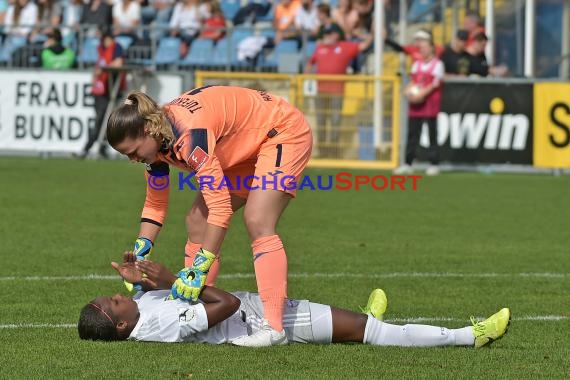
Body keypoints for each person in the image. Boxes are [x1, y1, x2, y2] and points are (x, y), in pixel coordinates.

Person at [104, 85, 313, 347]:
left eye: (133, 152)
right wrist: (141, 252)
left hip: (281, 132)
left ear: (147, 131)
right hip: (245, 144)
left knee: (258, 219)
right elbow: (155, 204)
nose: (133, 159)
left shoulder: (190, 137)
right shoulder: (156, 143)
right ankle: (193, 307)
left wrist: (199, 267)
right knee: (197, 221)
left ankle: (274, 329)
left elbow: (220, 207)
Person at [78, 258, 511, 348]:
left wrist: (137, 283)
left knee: (354, 326)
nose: (120, 295)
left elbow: (144, 304)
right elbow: (225, 303)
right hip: (263, 321)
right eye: (115, 301)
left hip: (262, 310)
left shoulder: (141, 315)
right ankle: (469, 337)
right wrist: (177, 279)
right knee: (376, 334)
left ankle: (363, 320)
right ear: (120, 326)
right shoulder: (161, 328)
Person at [304, 23, 372, 158]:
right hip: (320, 90)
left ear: (336, 35)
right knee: (320, 121)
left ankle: (333, 152)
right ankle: (323, 151)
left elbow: (363, 46)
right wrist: (307, 78)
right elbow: (310, 63)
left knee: (335, 121)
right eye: (325, 34)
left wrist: (371, 34)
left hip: (337, 91)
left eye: (328, 34)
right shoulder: (320, 48)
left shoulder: (345, 47)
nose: (326, 36)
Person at [394, 32, 443, 176]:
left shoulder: (438, 64)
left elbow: (435, 84)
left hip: (430, 105)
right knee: (412, 134)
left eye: (425, 47)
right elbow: (413, 81)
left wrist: (421, 95)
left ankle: (434, 163)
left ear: (432, 48)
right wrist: (408, 91)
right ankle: (408, 163)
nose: (422, 50)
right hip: (416, 106)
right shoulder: (417, 64)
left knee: (431, 134)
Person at [77, 31, 125, 159]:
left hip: (109, 90)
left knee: (103, 121)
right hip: (101, 91)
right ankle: (98, 149)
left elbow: (118, 63)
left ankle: (88, 149)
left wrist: (103, 69)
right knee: (102, 121)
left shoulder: (116, 48)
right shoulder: (103, 50)